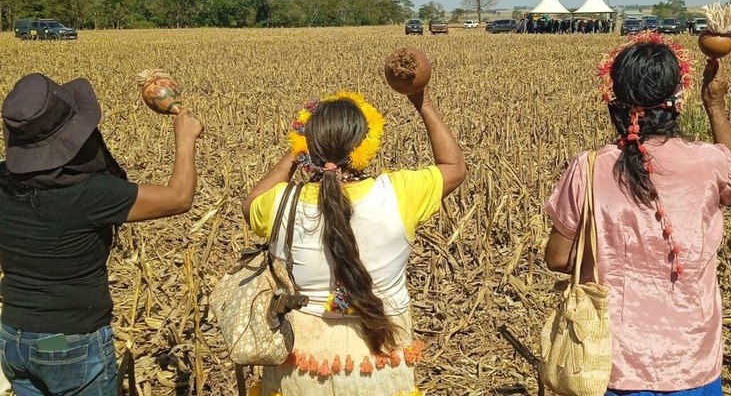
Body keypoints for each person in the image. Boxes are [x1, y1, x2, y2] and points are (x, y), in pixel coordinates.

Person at [543, 33, 731, 395]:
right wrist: (715, 105)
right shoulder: (711, 162)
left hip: (611, 364)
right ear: (678, 99)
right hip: (694, 362)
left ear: (614, 100)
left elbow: (558, 258)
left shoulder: (588, 168)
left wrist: (613, 252)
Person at [242, 88, 466, 395]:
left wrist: (295, 154)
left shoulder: (280, 202)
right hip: (379, 360)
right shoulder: (399, 193)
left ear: (308, 146)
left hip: (301, 367)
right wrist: (422, 100)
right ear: (365, 146)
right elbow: (454, 168)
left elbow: (250, 203)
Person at [0, 73, 204, 395]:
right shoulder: (89, 194)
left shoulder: (3, 181)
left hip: (12, 339)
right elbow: (179, 197)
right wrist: (185, 138)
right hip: (66, 343)